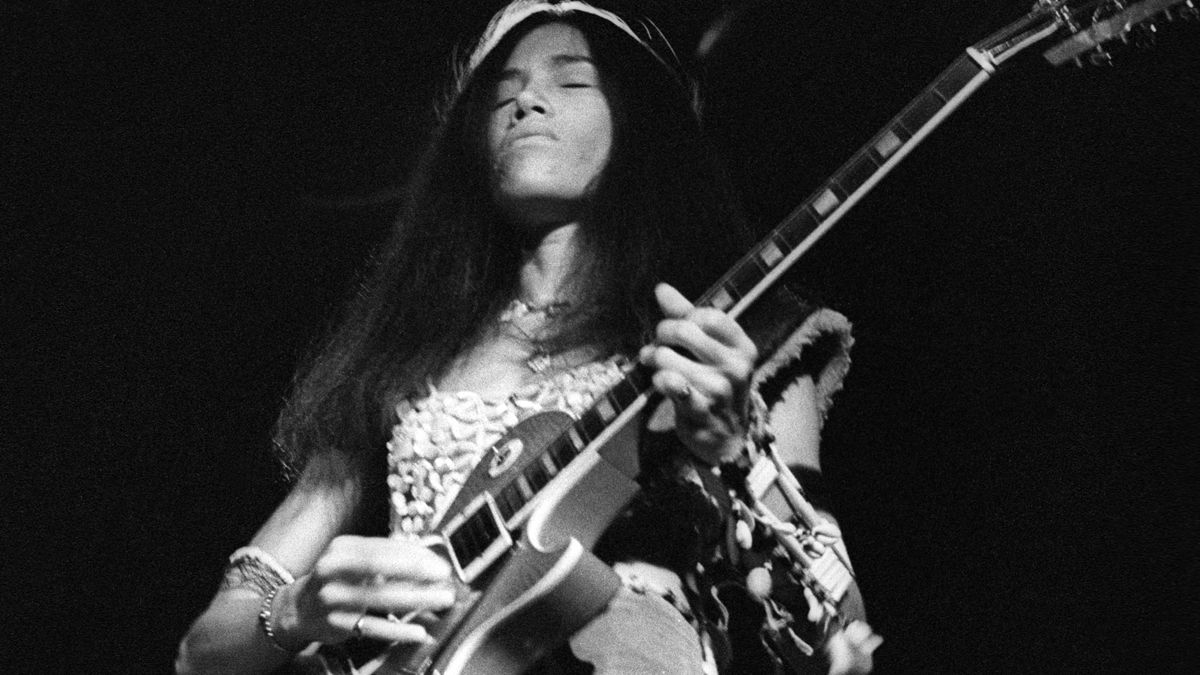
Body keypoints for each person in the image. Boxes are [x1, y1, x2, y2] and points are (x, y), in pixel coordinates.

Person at [176, 1, 880, 672]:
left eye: (572, 80)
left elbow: (837, 636)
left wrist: (735, 453)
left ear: (641, 127)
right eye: (503, 93)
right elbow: (204, 650)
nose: (527, 102)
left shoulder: (728, 337)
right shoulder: (403, 358)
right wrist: (295, 611)